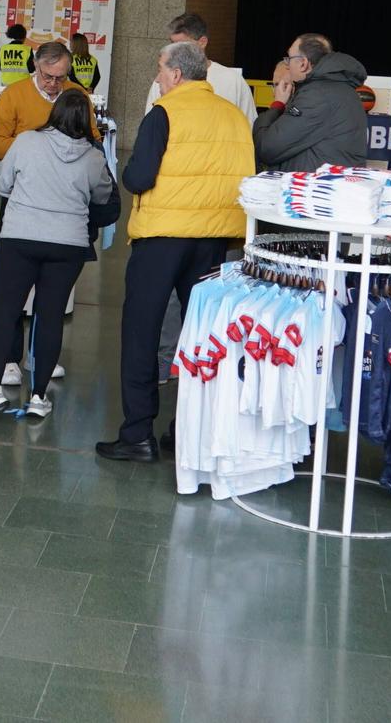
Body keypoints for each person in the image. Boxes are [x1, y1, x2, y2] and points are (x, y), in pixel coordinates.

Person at [97, 41, 253, 464]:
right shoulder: (234, 116)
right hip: (215, 239)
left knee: (141, 332)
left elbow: (139, 177)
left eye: (160, 69)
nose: (157, 78)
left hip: (163, 236)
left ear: (178, 74)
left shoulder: (163, 114)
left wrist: (126, 173)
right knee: (201, 335)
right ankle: (187, 430)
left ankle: (137, 434)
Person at [0, 89, 110, 423]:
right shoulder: (93, 155)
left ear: (54, 112)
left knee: (5, 313)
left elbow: (3, 184)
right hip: (68, 244)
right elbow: (101, 196)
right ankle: (40, 396)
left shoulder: (26, 141)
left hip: (20, 237)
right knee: (50, 316)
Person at [254, 32, 370, 173]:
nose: (288, 65)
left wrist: (277, 104)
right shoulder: (338, 88)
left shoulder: (317, 96)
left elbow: (267, 148)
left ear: (303, 63)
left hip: (317, 190)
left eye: (289, 59)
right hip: (329, 186)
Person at [146, 12, 256, 124]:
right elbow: (152, 126)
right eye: (172, 44)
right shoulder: (162, 81)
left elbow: (249, 126)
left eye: (182, 45)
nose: (175, 51)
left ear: (202, 42)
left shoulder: (233, 80)